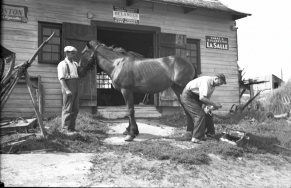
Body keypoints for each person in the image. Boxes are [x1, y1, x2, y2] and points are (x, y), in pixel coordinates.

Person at [180, 73, 227, 143]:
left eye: (222, 83)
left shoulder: (213, 86)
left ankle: (210, 135)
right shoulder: (206, 81)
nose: (220, 85)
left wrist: (209, 108)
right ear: (215, 78)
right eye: (220, 82)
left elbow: (206, 99)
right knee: (199, 115)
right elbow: (202, 98)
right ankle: (196, 137)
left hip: (197, 97)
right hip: (188, 96)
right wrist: (214, 104)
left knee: (208, 114)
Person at [57, 46, 80, 133]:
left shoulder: (76, 64)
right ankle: (65, 129)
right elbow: (61, 79)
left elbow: (80, 73)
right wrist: (66, 89)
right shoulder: (62, 64)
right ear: (66, 53)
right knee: (68, 108)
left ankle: (72, 127)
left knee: (75, 108)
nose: (74, 55)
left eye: (75, 53)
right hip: (67, 85)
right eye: (72, 53)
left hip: (76, 85)